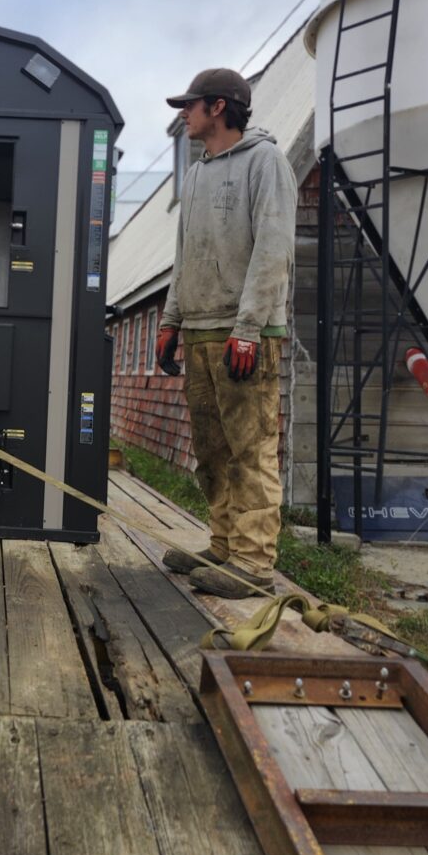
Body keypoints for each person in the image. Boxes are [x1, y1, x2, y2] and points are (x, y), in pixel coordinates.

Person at [156, 68, 296, 599]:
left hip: (245, 336)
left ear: (217, 107)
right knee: (212, 449)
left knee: (250, 448)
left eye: (189, 105)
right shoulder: (196, 175)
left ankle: (254, 563)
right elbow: (183, 256)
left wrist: (249, 328)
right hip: (198, 329)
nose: (183, 114)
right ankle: (223, 544)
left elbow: (273, 250)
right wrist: (171, 321)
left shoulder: (267, 162)